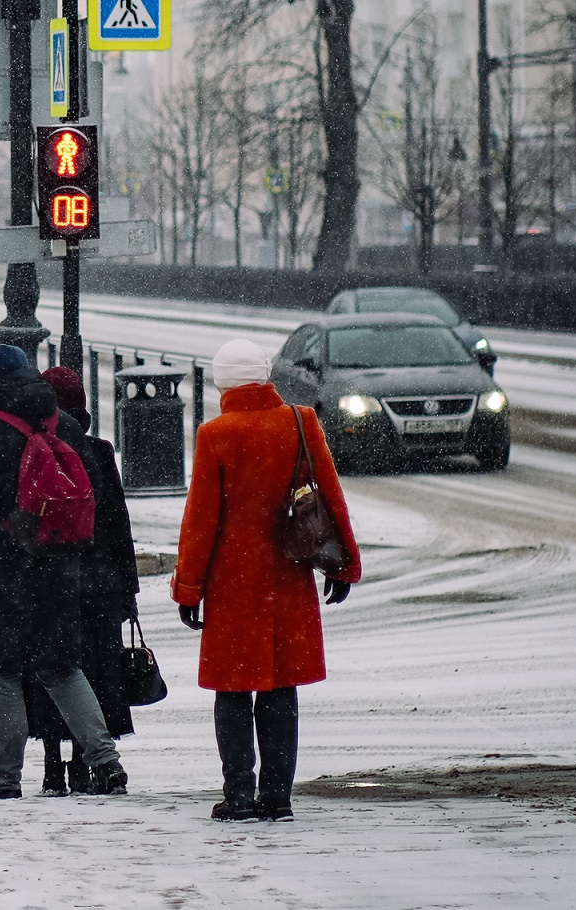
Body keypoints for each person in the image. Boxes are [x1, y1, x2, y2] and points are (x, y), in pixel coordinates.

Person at [174, 338, 361, 823]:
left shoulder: (216, 434)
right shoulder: (300, 422)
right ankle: (278, 797)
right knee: (280, 688)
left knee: (233, 691)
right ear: (264, 377)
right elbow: (331, 497)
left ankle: (238, 795)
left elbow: (201, 520)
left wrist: (189, 587)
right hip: (288, 575)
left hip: (234, 583)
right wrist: (343, 565)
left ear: (223, 382)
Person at [0, 344, 126, 800]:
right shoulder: (60, 424)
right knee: (61, 668)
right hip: (57, 566)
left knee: (0, 674)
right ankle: (106, 761)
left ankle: (4, 777)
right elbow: (91, 497)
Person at [24, 366, 140, 795]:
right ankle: (88, 762)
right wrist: (127, 587)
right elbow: (117, 526)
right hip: (99, 582)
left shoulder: (34, 449)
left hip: (53, 576)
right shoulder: (99, 452)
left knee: (51, 670)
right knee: (94, 671)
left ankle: (54, 765)